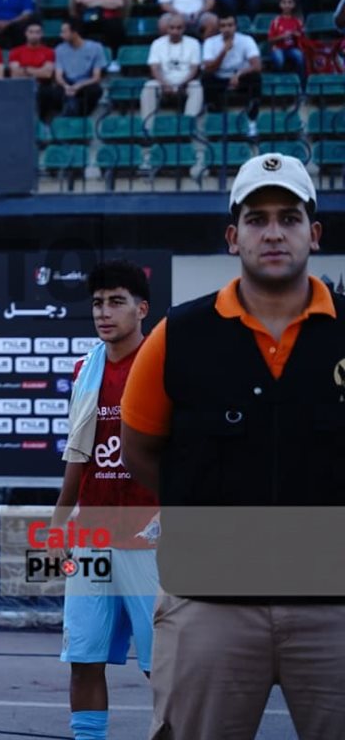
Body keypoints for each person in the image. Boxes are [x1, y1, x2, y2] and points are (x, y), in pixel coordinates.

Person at [122, 153, 345, 740]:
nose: (273, 232)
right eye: (256, 218)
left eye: (289, 217)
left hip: (335, 606)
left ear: (313, 234)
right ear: (232, 235)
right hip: (207, 604)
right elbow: (140, 450)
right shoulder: (178, 335)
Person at [51, 260, 158, 740]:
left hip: (151, 534)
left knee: (166, 666)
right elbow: (79, 451)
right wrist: (58, 521)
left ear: (142, 309)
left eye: (116, 302)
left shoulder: (163, 362)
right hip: (92, 532)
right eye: (97, 303)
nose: (104, 312)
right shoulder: (84, 368)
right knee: (83, 659)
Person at [201, 12, 262, 138]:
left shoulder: (246, 40)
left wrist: (238, 74)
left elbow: (257, 66)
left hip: (239, 77)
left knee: (256, 78)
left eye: (230, 25)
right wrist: (224, 51)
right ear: (219, 28)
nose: (227, 29)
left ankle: (251, 122)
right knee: (206, 78)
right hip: (219, 77)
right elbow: (208, 68)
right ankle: (216, 121)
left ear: (235, 26)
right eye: (223, 26)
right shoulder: (210, 42)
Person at [140, 14, 203, 131]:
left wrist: (183, 83)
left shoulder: (193, 43)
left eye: (179, 28)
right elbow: (154, 67)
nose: (175, 31)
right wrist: (164, 84)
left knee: (197, 86)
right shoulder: (157, 43)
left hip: (185, 82)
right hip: (163, 82)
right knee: (149, 86)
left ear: (184, 29)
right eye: (172, 28)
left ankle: (188, 126)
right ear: (167, 28)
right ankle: (148, 128)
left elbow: (194, 68)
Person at [71, 0, 127, 72]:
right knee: (74, 25)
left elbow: (118, 3)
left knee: (115, 25)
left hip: (108, 19)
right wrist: (105, 0)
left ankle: (114, 60)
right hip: (87, 18)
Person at [52, 19, 105, 117]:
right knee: (54, 92)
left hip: (85, 82)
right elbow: (58, 76)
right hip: (67, 82)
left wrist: (79, 85)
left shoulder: (96, 48)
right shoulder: (59, 49)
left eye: (64, 32)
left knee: (95, 91)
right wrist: (66, 86)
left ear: (74, 33)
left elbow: (96, 77)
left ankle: (81, 116)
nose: (61, 35)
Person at [8, 20, 58, 117]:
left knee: (47, 93)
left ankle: (44, 123)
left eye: (37, 32)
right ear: (26, 34)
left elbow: (47, 74)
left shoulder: (49, 52)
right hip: (21, 85)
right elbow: (15, 74)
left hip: (42, 86)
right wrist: (38, 70)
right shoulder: (16, 51)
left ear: (42, 34)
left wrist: (25, 69)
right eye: (31, 32)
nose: (34, 35)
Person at [268, 0, 307, 87]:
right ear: (280, 5)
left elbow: (303, 37)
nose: (287, 5)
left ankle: (302, 86)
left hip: (292, 48)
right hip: (278, 48)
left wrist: (297, 35)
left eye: (290, 2)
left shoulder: (297, 21)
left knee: (300, 57)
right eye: (284, 2)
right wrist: (283, 36)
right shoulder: (276, 21)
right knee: (279, 59)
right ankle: (280, 85)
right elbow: (270, 40)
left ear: (293, 5)